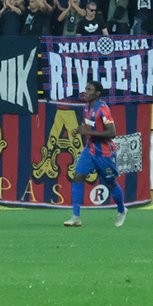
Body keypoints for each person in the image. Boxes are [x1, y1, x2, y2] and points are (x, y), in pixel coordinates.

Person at [63, 80, 127, 228]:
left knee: (111, 184)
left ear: (97, 93)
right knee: (78, 176)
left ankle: (122, 210)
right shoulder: (87, 107)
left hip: (104, 153)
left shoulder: (103, 110)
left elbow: (112, 133)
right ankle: (76, 216)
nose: (85, 92)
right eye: (86, 89)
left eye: (89, 89)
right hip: (90, 150)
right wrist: (80, 129)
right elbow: (88, 125)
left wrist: (87, 132)